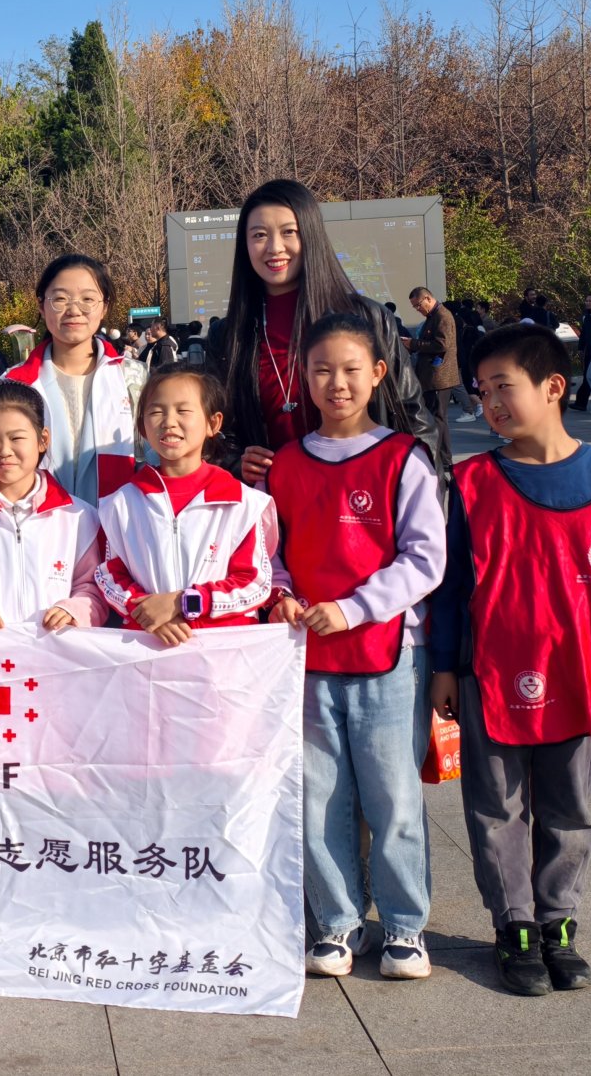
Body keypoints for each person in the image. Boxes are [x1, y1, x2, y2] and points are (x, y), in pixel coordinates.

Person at [428, 324, 591, 997]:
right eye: (482, 391)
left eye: (504, 386)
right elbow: (451, 587)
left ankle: (559, 922)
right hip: (491, 672)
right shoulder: (473, 483)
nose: (491, 403)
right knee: (496, 806)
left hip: (581, 673)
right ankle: (515, 926)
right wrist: (444, 667)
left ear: (554, 387)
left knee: (570, 805)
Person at [265, 314, 445, 981]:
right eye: (321, 370)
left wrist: (353, 608)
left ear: (377, 374)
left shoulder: (403, 457)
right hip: (309, 659)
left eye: (349, 370)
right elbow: (270, 554)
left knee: (393, 795)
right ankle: (338, 923)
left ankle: (404, 927)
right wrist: (282, 594)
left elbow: (425, 559)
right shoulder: (286, 463)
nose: (335, 383)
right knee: (318, 797)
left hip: (387, 656)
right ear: (303, 379)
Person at [220, 179, 436, 488]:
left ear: (310, 234)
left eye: (289, 232)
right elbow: (217, 430)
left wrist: (430, 492)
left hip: (363, 496)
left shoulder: (368, 319)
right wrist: (234, 462)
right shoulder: (228, 335)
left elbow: (413, 415)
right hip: (276, 502)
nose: (274, 247)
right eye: (259, 235)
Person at [95, 363, 278, 644]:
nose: (169, 421)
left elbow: (254, 583)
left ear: (213, 423)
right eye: (156, 411)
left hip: (221, 652)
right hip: (149, 648)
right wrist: (146, 611)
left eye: (183, 411)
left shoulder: (241, 502)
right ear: (142, 426)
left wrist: (184, 603)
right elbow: (110, 575)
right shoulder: (122, 503)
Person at [0, 381, 106, 631]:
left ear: (42, 440)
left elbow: (94, 587)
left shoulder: (79, 517)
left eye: (16, 438)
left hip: (54, 651)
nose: (4, 451)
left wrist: (74, 611)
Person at [2, 253, 145, 505]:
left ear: (104, 307)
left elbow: (153, 458)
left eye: (88, 299)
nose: (74, 310)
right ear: (41, 305)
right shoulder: (13, 384)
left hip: (119, 521)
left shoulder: (134, 378)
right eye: (60, 299)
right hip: (40, 522)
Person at [404, 287, 458, 477]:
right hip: (433, 376)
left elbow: (442, 344)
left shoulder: (442, 316)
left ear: (427, 298)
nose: (417, 309)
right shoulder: (433, 316)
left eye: (418, 305)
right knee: (437, 418)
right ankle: (442, 459)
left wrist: (413, 344)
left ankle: (444, 460)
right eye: (414, 307)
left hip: (439, 377)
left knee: (438, 419)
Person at [569, 297, 591, 413]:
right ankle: (581, 402)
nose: (588, 303)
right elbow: (584, 334)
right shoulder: (587, 317)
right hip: (590, 350)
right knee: (588, 376)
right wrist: (581, 347)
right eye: (587, 301)